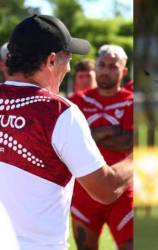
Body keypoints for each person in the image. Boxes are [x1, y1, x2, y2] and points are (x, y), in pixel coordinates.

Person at [0, 15, 132, 250]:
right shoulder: (59, 112)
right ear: (51, 60)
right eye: (67, 58)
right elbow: (106, 188)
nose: (69, 68)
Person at [70, 44, 133, 250]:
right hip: (84, 193)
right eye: (102, 65)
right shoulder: (76, 102)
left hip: (122, 192)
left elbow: (129, 141)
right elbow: (71, 142)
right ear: (96, 67)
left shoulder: (131, 102)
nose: (105, 71)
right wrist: (110, 131)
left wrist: (89, 136)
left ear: (123, 71)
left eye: (113, 66)